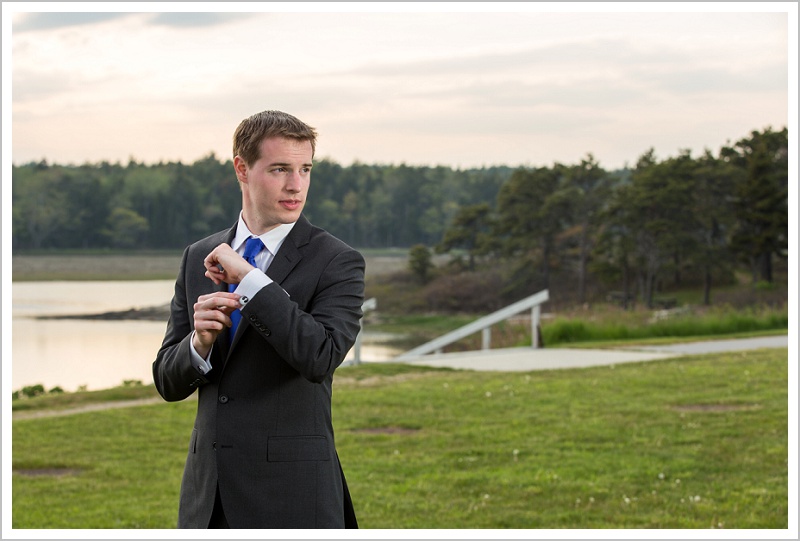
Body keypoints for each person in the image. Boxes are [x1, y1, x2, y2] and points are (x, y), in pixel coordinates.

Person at [153, 110, 364, 529]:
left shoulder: (337, 260)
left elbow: (319, 357)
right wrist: (198, 344)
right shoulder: (199, 255)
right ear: (242, 169)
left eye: (305, 169)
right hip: (206, 501)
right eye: (280, 169)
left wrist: (249, 279)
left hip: (293, 497)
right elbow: (167, 380)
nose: (296, 184)